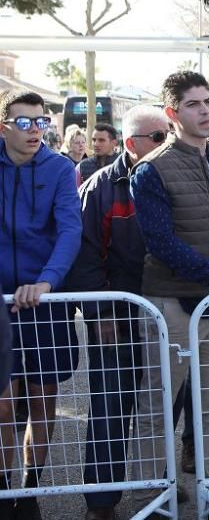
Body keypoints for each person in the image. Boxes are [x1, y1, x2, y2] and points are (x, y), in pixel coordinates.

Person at [129, 72, 209, 517]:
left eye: (207, 102)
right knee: (158, 403)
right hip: (172, 303)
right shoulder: (151, 169)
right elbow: (161, 243)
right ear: (172, 113)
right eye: (193, 104)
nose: (205, 111)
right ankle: (153, 493)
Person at [65, 105, 169, 520]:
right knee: (110, 405)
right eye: (159, 138)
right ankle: (102, 500)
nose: (168, 145)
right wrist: (100, 312)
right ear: (131, 144)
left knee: (159, 407)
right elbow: (84, 258)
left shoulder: (173, 177)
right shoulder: (99, 189)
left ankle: (155, 489)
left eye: (169, 135)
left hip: (166, 314)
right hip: (116, 319)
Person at [0, 90, 82, 520]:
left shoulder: (60, 167)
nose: (35, 131)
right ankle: (2, 486)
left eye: (42, 122)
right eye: (25, 122)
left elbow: (70, 229)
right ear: (4, 126)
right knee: (2, 402)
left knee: (41, 397)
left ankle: (29, 491)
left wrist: (47, 281)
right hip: (0, 302)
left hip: (45, 302)